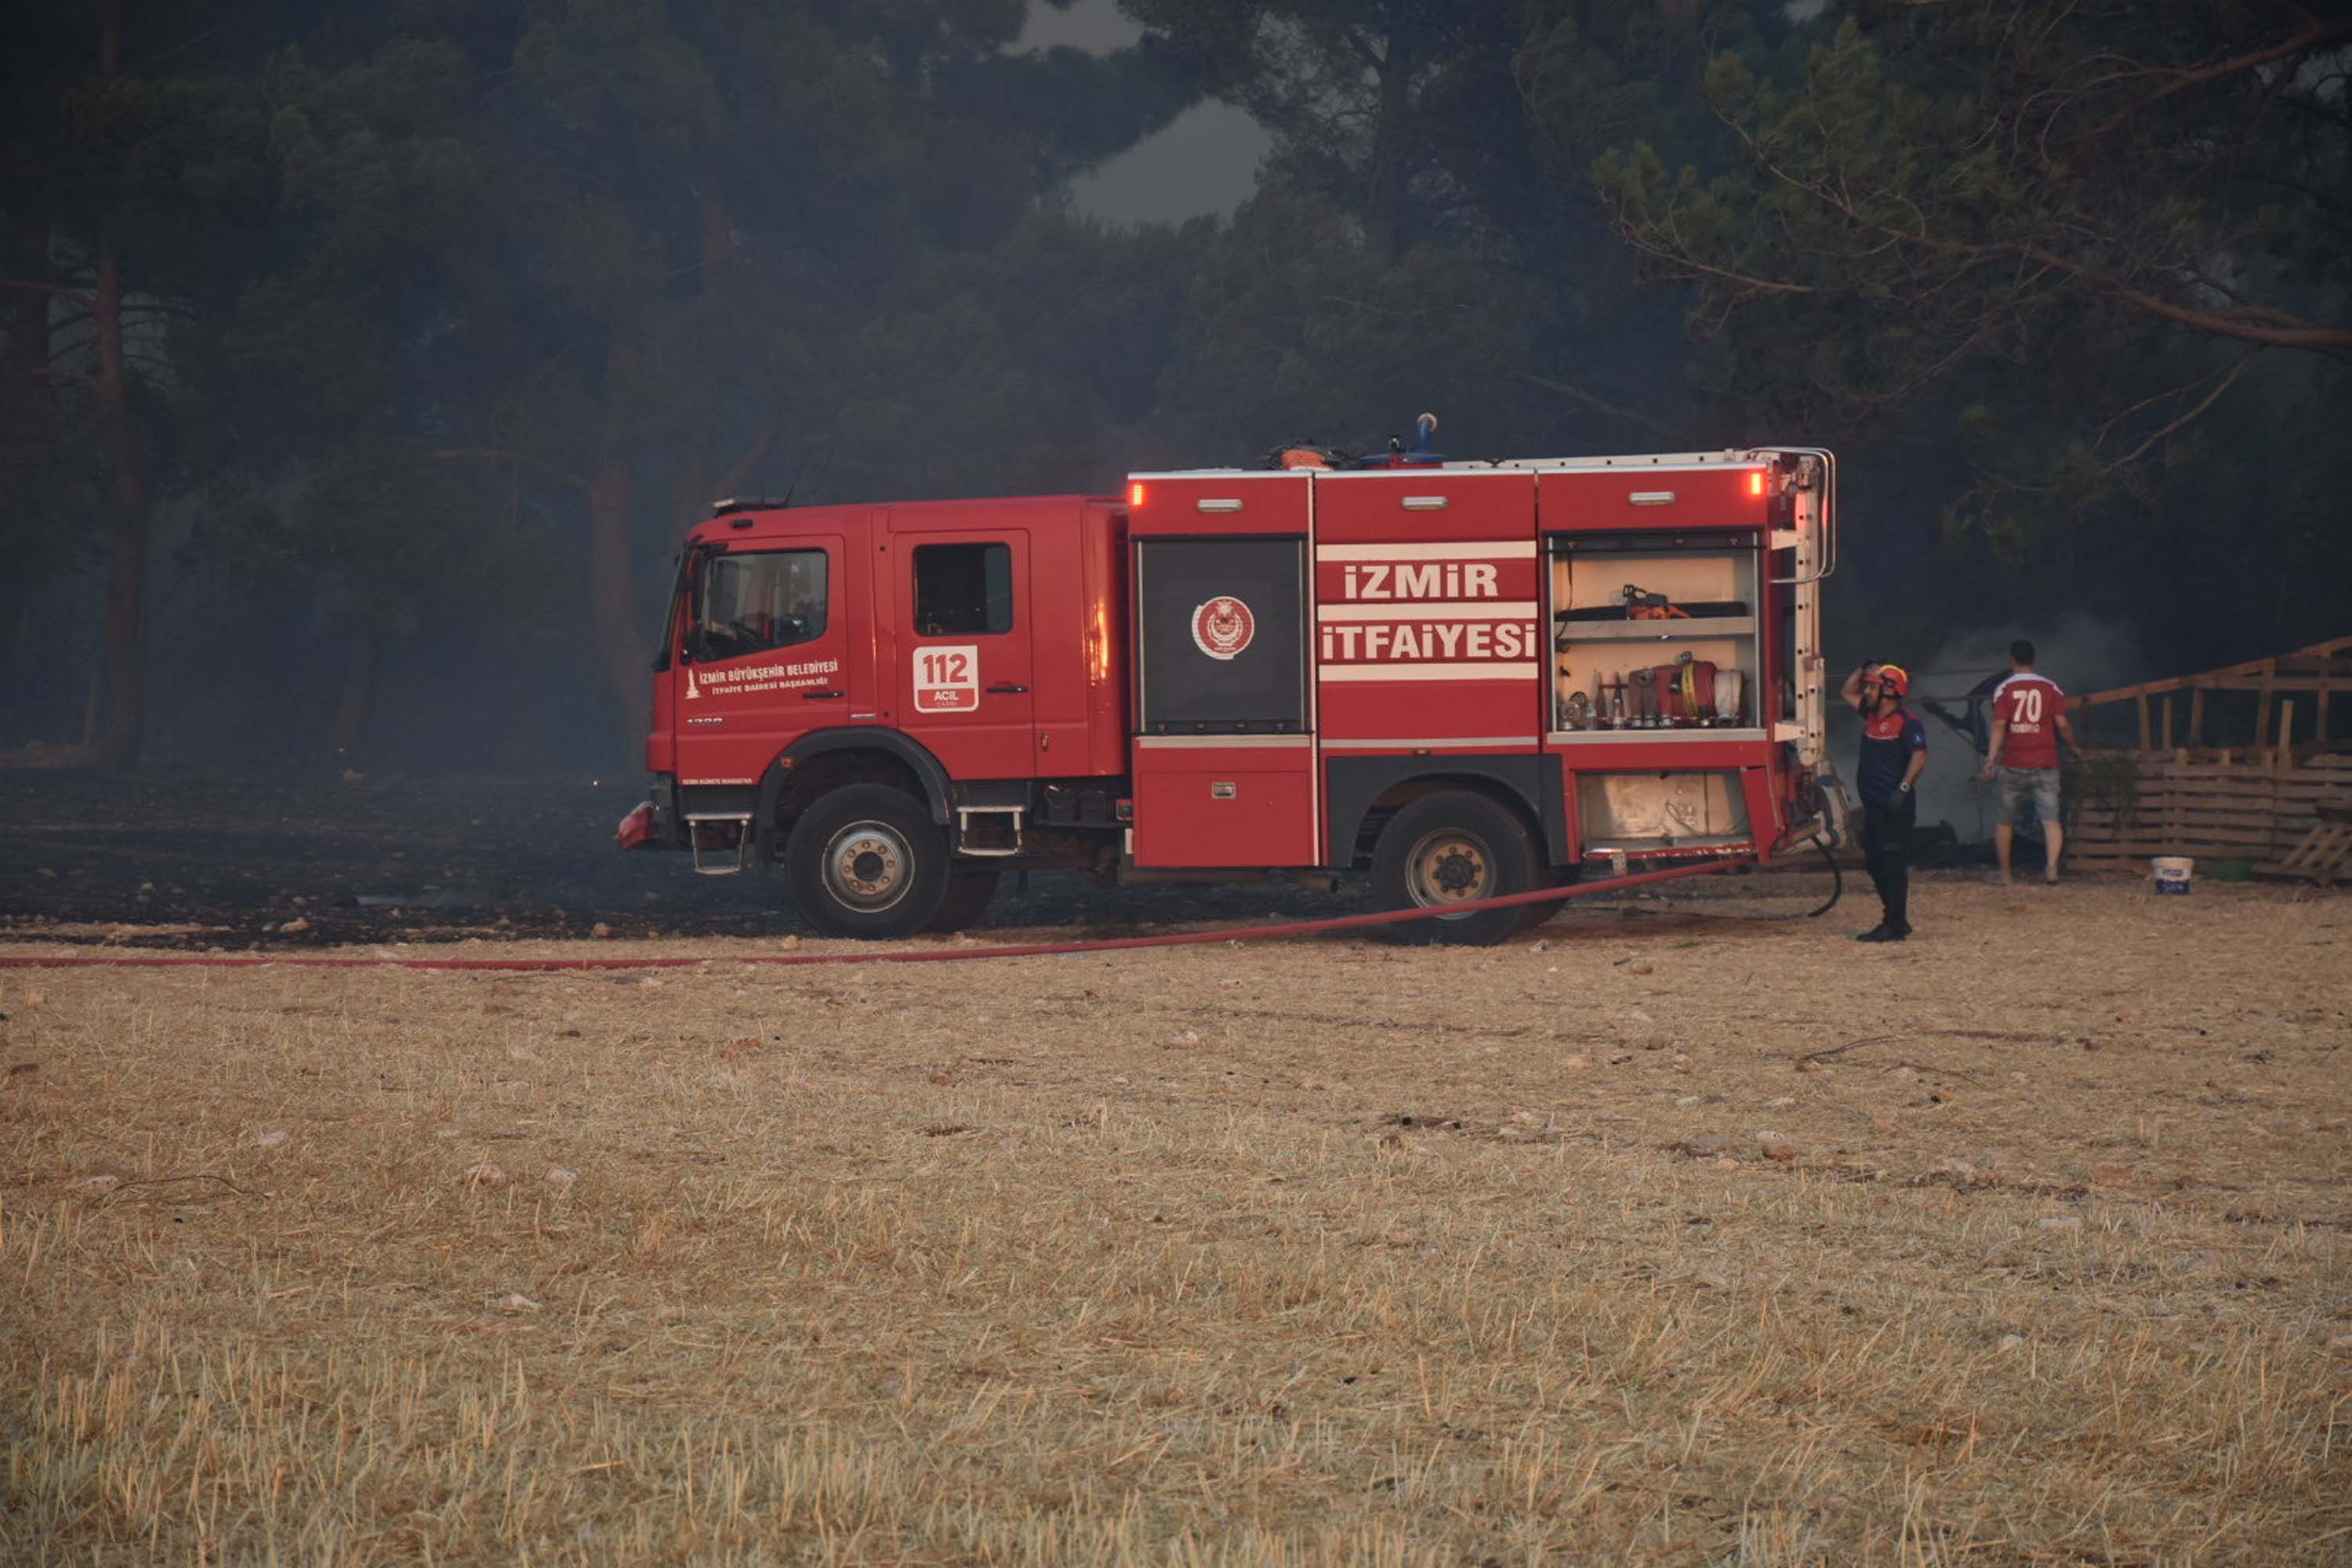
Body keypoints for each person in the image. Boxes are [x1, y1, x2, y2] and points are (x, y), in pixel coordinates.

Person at [1841, 660, 1929, 942]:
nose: (1866, 691)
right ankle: (1894, 918)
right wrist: (1862, 668)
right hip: (1875, 807)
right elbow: (1847, 692)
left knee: (1891, 863)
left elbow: (1920, 755)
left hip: (1894, 807)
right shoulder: (1871, 715)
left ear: (1889, 692)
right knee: (1875, 863)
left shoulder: (1907, 722)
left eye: (1873, 687)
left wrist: (1902, 789)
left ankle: (1894, 923)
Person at [1980, 638, 2076, 884]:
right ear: (2034, 660)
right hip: (2045, 764)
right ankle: (2052, 868)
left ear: (2011, 660)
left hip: (2013, 765)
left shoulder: (2004, 690)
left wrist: (1991, 759)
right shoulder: (2051, 688)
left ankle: (2005, 875)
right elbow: (2062, 724)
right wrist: (2074, 745)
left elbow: (1999, 725)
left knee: (2004, 822)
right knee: (2050, 819)